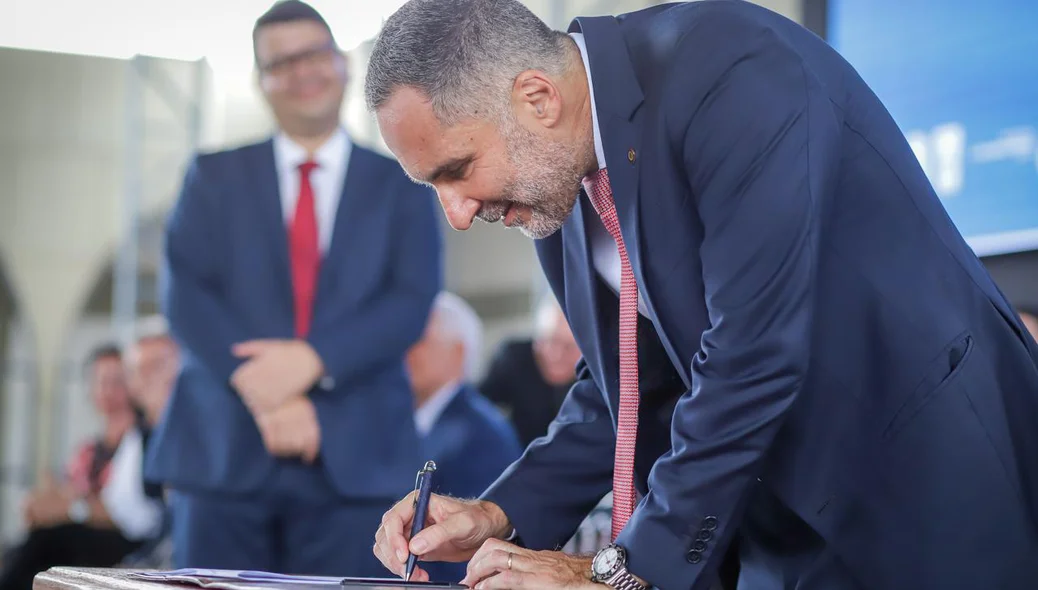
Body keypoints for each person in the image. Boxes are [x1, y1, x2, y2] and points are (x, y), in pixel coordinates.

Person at [365, 1, 1038, 589]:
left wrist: (625, 567)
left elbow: (753, 353)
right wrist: (496, 512)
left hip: (923, 484)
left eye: (456, 171)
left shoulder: (732, 69)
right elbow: (627, 388)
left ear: (537, 97)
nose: (455, 213)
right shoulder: (552, 175)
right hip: (774, 522)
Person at [148, 0, 441, 576]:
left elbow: (411, 300)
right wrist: (266, 391)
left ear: (342, 63)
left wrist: (312, 361)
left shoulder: (403, 181)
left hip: (358, 454)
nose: (302, 71)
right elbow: (186, 295)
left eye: (314, 53)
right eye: (280, 63)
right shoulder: (212, 175)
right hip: (222, 450)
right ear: (261, 82)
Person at [405, 292, 523, 582]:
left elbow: (470, 548)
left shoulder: (480, 436)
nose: (407, 351)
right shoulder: (424, 422)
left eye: (420, 340)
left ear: (457, 353)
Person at [0, 345, 137, 590]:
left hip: (122, 544)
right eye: (100, 381)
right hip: (82, 540)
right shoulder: (87, 452)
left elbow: (127, 514)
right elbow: (68, 494)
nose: (108, 390)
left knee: (45, 544)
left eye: (116, 380)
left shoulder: (140, 442)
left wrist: (70, 507)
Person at [479, 295, 579, 447]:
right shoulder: (515, 358)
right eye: (550, 340)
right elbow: (480, 404)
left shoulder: (599, 377)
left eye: (568, 347)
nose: (556, 355)